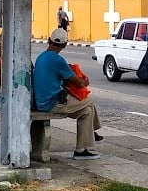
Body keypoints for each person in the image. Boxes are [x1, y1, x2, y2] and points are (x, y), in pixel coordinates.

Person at [33, 28, 102, 159]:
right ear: (64, 45)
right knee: (90, 99)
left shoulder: (41, 57)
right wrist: (85, 81)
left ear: (49, 41)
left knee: (87, 111)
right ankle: (94, 131)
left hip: (41, 102)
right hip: (52, 104)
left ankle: (82, 150)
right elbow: (78, 83)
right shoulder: (57, 60)